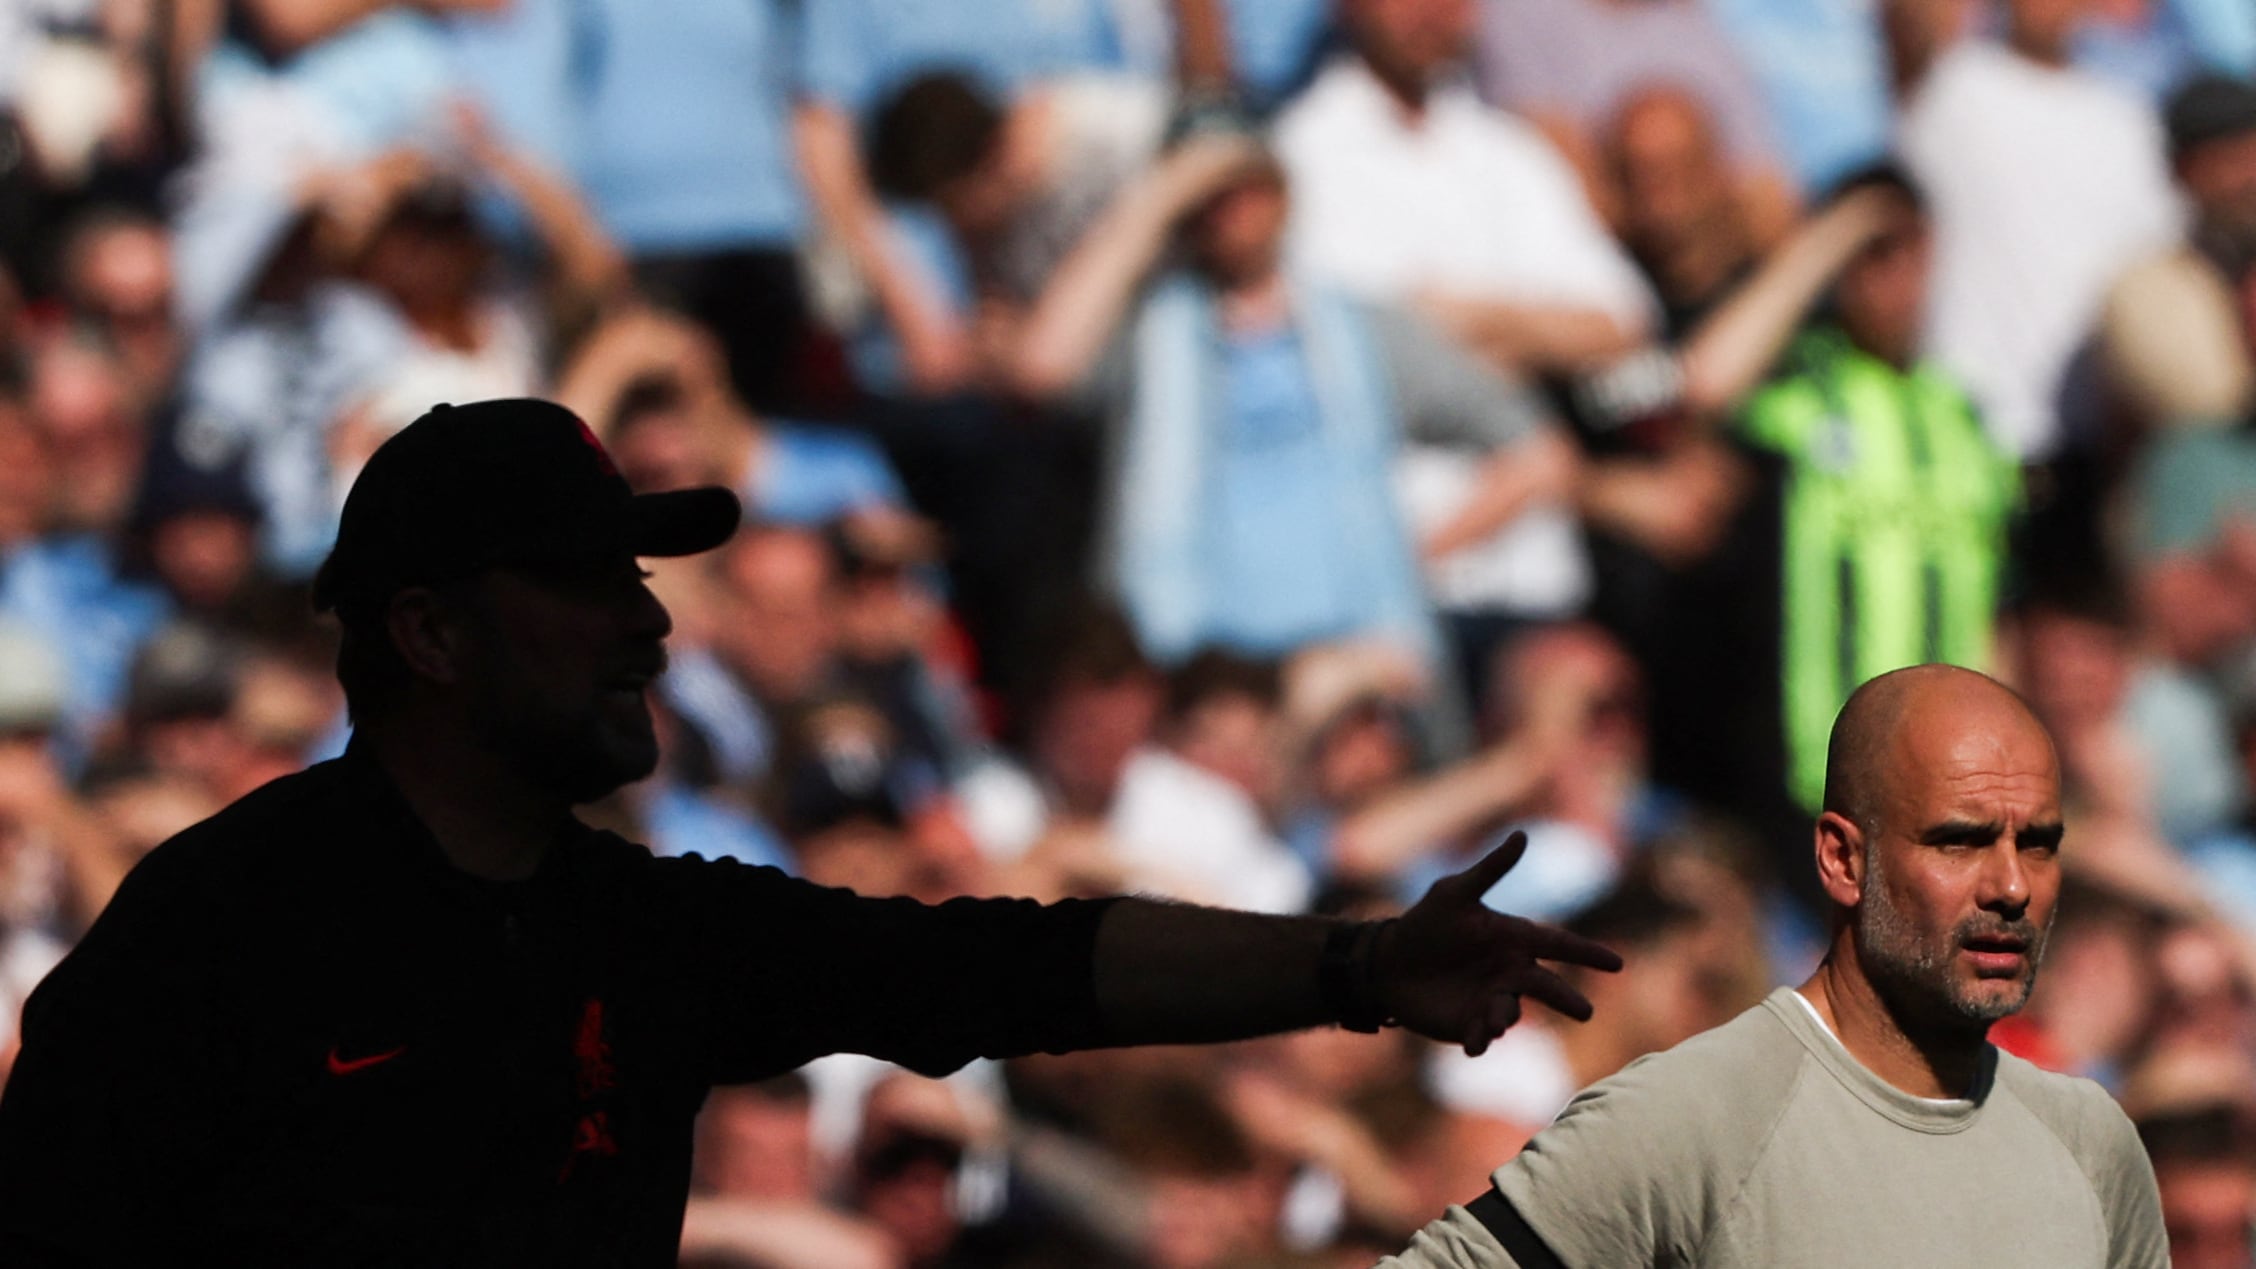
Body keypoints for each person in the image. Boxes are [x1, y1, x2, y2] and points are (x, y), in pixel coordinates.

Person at [0, 397, 1621, 1265]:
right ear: (427, 632)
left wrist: (1353, 961)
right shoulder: (225, 925)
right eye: (586, 579)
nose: (648, 622)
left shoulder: (638, 926)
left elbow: (1013, 967)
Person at [1376, 664, 2168, 1268]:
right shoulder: (1689, 1116)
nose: (2011, 886)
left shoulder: (2091, 1142)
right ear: (1842, 858)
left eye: (2039, 843)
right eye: (1958, 840)